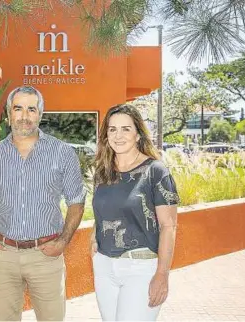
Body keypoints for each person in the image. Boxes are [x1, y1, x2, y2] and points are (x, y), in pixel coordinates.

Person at [0, 86, 86, 321]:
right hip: (4, 255)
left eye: (31, 109)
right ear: (8, 113)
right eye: (18, 108)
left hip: (46, 255)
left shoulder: (61, 153)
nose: (24, 116)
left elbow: (76, 200)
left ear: (40, 114)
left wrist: (63, 241)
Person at [90, 104, 179, 321]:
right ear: (106, 135)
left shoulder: (156, 171)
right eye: (112, 129)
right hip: (104, 267)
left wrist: (162, 274)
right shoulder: (103, 172)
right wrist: (94, 236)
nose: (118, 136)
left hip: (140, 266)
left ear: (138, 134)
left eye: (126, 129)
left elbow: (169, 226)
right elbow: (104, 210)